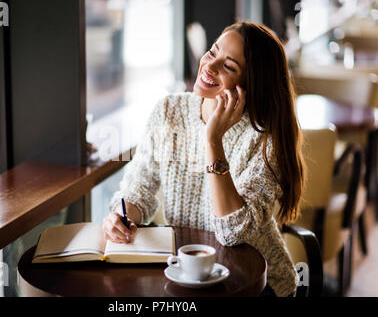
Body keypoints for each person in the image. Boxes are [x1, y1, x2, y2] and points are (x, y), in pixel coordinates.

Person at [102, 21, 305, 297]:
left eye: (229, 66)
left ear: (250, 84)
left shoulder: (265, 137)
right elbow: (139, 190)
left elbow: (232, 232)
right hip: (187, 272)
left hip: (258, 283)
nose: (209, 66)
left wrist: (213, 140)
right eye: (212, 52)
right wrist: (122, 216)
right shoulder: (168, 111)